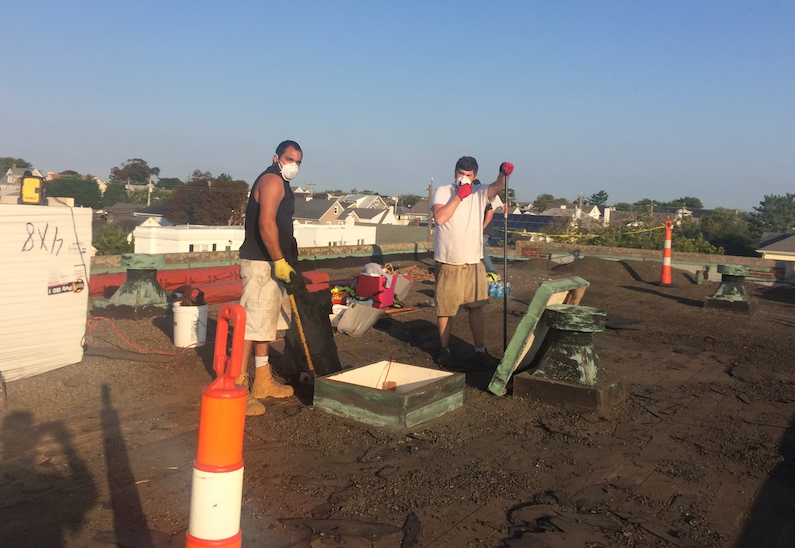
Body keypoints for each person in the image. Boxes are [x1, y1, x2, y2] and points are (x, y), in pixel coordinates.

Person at [237, 140, 303, 416]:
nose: (294, 166)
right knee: (250, 326)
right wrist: (277, 260)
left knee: (266, 325)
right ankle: (237, 388)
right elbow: (266, 223)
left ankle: (262, 380)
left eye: (298, 162)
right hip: (262, 264)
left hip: (274, 263)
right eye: (289, 159)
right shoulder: (272, 181)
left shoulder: (282, 184)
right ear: (276, 158)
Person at [431, 157, 514, 369]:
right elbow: (440, 218)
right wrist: (459, 196)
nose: (464, 178)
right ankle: (444, 349)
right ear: (455, 172)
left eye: (468, 175)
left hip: (474, 261)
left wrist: (504, 174)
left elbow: (499, 187)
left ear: (475, 176)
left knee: (476, 307)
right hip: (448, 260)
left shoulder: (480, 192)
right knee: (446, 308)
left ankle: (479, 350)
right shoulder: (443, 191)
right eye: (461, 173)